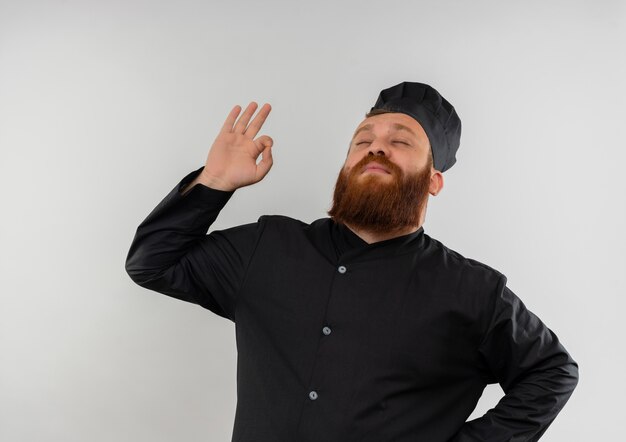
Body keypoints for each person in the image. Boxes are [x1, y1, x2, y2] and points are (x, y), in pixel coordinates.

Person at [125, 81, 579, 442]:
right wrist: (214, 182)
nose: (376, 147)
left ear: (434, 181)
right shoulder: (269, 247)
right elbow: (152, 263)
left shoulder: (472, 291)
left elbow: (552, 371)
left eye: (401, 141)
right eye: (363, 139)